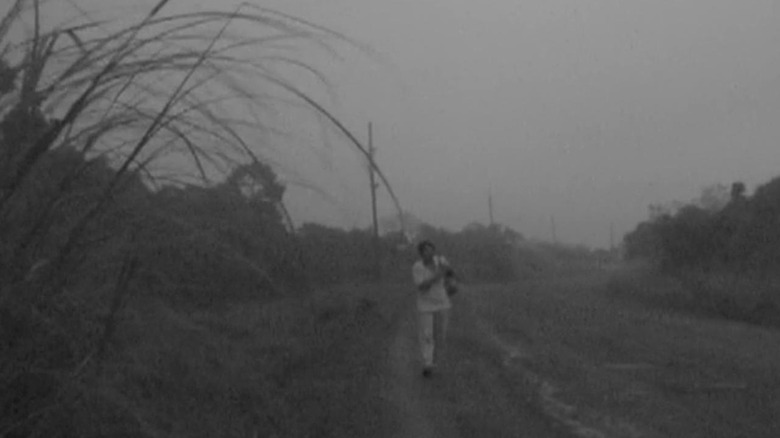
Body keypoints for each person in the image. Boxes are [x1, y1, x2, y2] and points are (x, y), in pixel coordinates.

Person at [412, 240, 456, 378]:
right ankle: (427, 363)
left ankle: (434, 362)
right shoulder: (417, 267)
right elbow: (421, 286)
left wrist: (450, 279)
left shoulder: (440, 261)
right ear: (421, 253)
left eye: (431, 250)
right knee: (427, 335)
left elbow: (450, 273)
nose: (429, 253)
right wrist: (436, 276)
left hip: (442, 303)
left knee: (440, 336)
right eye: (426, 250)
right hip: (425, 305)